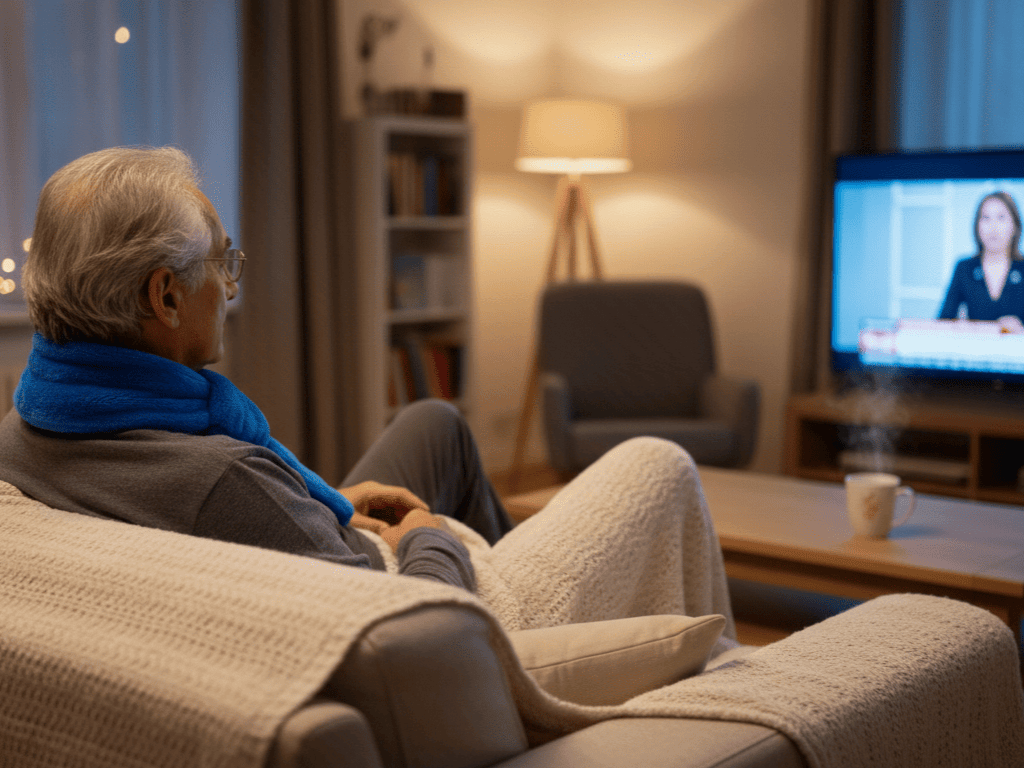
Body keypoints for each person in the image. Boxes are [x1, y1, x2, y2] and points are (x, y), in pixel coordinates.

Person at [0, 146, 735, 638]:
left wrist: (332, 504)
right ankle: (550, 637)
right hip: (429, 596)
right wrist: (426, 536)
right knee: (659, 463)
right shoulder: (225, 485)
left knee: (435, 422)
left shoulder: (28, 429)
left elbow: (265, 523)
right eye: (222, 263)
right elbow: (420, 628)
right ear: (164, 296)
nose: (229, 285)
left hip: (323, 552)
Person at [938, 191, 1024, 332]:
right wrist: (960, 326)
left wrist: (1021, 330)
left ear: (1015, 226)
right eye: (986, 218)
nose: (993, 226)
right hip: (975, 351)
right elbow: (943, 321)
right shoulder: (964, 268)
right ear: (977, 226)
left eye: (1001, 217)